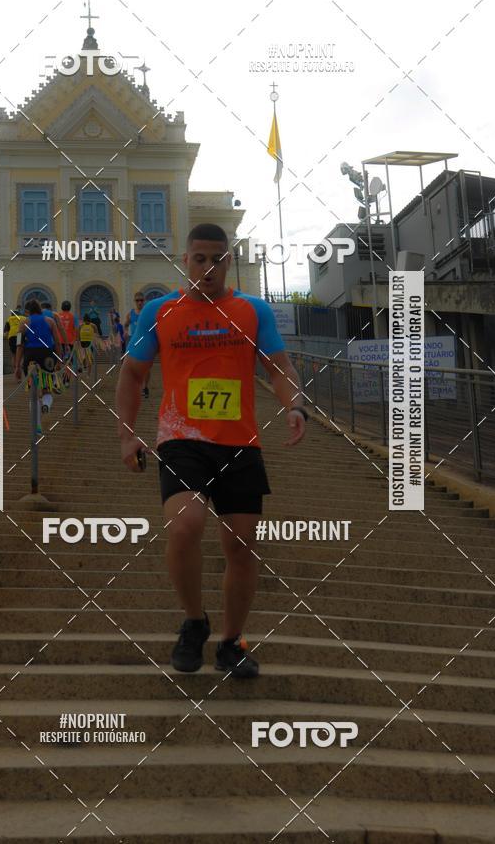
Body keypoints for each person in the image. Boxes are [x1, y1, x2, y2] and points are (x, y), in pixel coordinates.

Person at [115, 223, 307, 679]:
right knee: (185, 525)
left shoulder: (252, 310)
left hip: (240, 442)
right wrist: (127, 434)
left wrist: (294, 405)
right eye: (199, 259)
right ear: (185, 261)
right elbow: (132, 375)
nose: (208, 268)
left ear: (228, 262)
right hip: (181, 438)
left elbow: (278, 368)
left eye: (218, 259)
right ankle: (193, 622)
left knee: (241, 548)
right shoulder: (160, 311)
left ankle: (231, 642)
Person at [14, 299, 62, 425]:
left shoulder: (23, 323)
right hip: (47, 355)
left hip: (30, 355)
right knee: (47, 388)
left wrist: (17, 366)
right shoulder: (50, 321)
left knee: (33, 391)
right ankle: (46, 404)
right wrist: (59, 360)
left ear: (27, 311)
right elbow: (57, 342)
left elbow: (19, 345)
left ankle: (37, 424)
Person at [124, 292, 150, 398]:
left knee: (147, 367)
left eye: (141, 300)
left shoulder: (148, 312)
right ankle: (136, 386)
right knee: (132, 365)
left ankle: (145, 387)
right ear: (135, 301)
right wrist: (125, 332)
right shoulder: (131, 314)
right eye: (137, 300)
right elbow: (126, 324)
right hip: (134, 342)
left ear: (144, 301)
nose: (139, 302)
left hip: (146, 342)